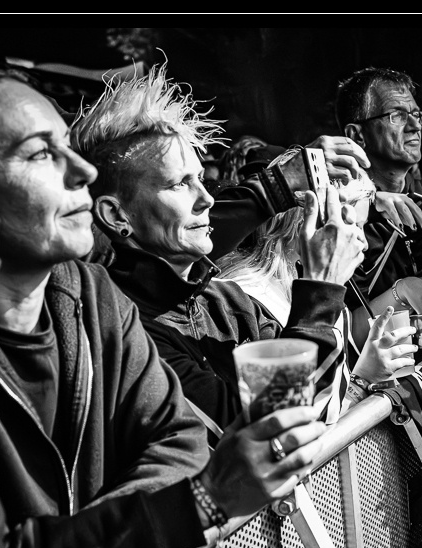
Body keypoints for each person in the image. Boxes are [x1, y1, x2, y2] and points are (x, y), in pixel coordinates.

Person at [0, 65, 326, 548]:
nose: (82, 171)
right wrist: (184, 511)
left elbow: (183, 443)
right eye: (39, 153)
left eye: (68, 147)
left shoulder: (95, 298)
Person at [71, 63, 368, 432]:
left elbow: (319, 412)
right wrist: (322, 289)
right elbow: (273, 434)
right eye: (178, 184)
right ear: (117, 215)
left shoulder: (231, 304)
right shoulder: (127, 334)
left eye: (200, 179)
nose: (207, 198)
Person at [217, 169, 419, 413]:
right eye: (352, 225)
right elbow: (282, 417)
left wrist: (364, 370)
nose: (364, 243)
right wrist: (362, 379)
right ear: (307, 222)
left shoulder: (311, 286)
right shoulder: (245, 301)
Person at [334, 66, 422, 349]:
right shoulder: (340, 215)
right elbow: (334, 334)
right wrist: (402, 291)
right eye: (397, 116)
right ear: (357, 135)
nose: (415, 126)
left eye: (416, 114)